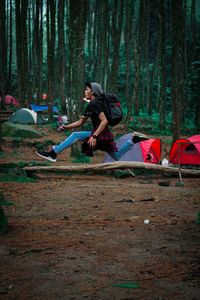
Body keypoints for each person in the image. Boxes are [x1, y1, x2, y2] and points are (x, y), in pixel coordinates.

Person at [36, 82, 149, 162]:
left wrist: (94, 136)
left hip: (100, 135)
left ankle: (53, 153)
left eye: (87, 89)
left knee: (76, 135)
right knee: (117, 155)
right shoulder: (91, 105)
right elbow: (80, 122)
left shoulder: (95, 103)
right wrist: (65, 127)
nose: (85, 91)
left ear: (93, 92)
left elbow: (104, 121)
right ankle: (133, 140)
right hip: (105, 135)